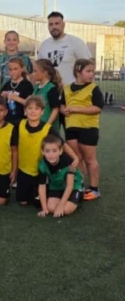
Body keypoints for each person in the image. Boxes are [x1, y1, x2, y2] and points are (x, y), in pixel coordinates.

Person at [61, 59, 103, 201]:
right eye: (89, 71)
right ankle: (81, 186)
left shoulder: (94, 88)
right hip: (71, 127)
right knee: (76, 158)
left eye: (93, 71)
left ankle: (94, 189)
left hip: (88, 128)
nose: (92, 74)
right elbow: (61, 105)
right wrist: (64, 110)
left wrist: (75, 109)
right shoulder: (66, 88)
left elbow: (97, 108)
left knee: (90, 159)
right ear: (78, 72)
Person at [37, 11, 91, 86]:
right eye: (51, 24)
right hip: (50, 91)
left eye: (57, 23)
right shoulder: (44, 45)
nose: (54, 27)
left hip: (71, 91)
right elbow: (38, 69)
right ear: (48, 26)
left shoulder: (76, 42)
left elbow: (88, 66)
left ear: (63, 25)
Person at [37, 134, 83, 217]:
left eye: (54, 151)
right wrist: (44, 209)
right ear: (42, 152)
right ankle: (63, 199)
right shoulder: (42, 165)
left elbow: (69, 186)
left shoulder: (68, 161)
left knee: (66, 210)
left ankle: (79, 193)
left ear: (60, 151)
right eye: (47, 151)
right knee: (50, 208)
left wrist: (61, 205)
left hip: (73, 186)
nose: (51, 155)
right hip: (57, 185)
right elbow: (42, 186)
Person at [0, 56, 34, 126]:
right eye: (10, 69)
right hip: (7, 120)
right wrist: (2, 96)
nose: (13, 72)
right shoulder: (7, 84)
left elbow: (31, 104)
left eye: (15, 69)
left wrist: (16, 98)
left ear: (22, 69)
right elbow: (0, 103)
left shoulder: (27, 85)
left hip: (22, 121)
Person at [32, 59, 63, 130]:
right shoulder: (36, 87)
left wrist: (47, 125)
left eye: (35, 71)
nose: (33, 73)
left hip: (47, 129)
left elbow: (55, 109)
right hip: (37, 126)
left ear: (45, 72)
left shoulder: (51, 88)